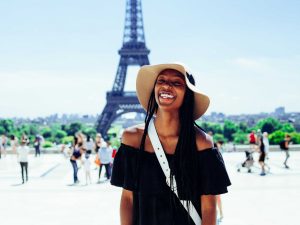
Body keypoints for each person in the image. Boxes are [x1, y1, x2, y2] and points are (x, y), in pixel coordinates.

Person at [111, 63, 231, 225]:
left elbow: (209, 207)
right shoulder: (132, 139)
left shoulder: (202, 143)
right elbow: (127, 198)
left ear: (188, 94)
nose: (166, 85)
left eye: (177, 83)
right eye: (161, 81)